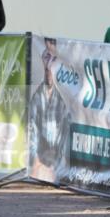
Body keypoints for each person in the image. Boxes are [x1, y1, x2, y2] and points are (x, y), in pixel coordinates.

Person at [27, 38, 71, 184]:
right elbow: (32, 133)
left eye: (53, 58)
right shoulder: (38, 95)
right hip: (41, 168)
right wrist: (37, 165)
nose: (48, 63)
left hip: (58, 168)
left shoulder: (66, 95)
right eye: (46, 56)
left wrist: (56, 167)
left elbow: (66, 139)